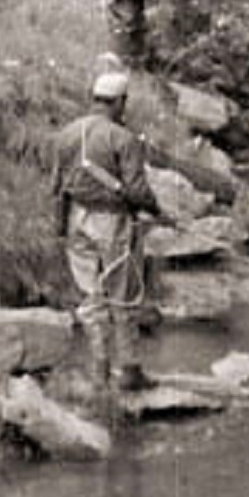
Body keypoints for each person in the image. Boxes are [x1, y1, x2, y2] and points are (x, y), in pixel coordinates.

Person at [50, 65, 158, 393]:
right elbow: (137, 191)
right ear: (119, 102)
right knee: (122, 296)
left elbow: (57, 187)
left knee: (90, 295)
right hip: (111, 221)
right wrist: (156, 209)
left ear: (95, 99)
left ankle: (99, 370)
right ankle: (129, 370)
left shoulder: (67, 134)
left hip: (75, 220)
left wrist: (60, 227)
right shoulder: (122, 138)